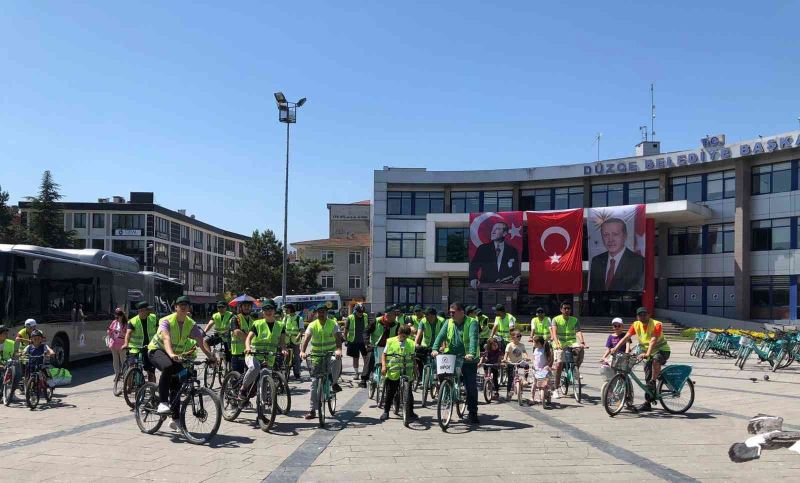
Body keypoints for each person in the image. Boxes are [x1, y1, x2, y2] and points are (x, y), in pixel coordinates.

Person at [148, 295, 217, 429]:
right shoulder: (166, 321)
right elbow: (166, 338)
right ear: (176, 307)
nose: (184, 306)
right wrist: (172, 354)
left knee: (177, 384)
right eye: (181, 305)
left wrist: (210, 356)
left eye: (186, 304)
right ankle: (162, 402)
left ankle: (175, 419)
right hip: (157, 350)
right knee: (168, 367)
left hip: (174, 355)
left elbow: (201, 341)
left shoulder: (190, 323)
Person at [610, 307, 671, 412]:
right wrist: (615, 348)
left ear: (649, 314)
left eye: (644, 314)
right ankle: (648, 403)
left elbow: (653, 340)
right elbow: (626, 337)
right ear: (637, 316)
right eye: (640, 315)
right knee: (647, 374)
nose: (642, 316)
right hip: (646, 353)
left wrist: (647, 353)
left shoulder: (656, 324)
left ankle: (654, 380)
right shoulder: (636, 324)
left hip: (662, 351)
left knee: (656, 361)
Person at [432, 302, 480, 424]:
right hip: (451, 355)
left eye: (453, 312)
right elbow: (440, 336)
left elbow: (473, 338)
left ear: (461, 312)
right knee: (443, 375)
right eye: (450, 312)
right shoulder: (448, 322)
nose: (451, 314)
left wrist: (472, 353)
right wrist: (435, 348)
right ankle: (447, 392)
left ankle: (473, 412)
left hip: (468, 358)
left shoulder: (472, 322)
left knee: (471, 386)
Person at [300, 304, 343, 420]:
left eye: (323, 311)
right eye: (319, 312)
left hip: (330, 354)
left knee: (337, 360)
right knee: (314, 383)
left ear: (326, 312)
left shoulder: (333, 324)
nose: (321, 314)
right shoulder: (312, 325)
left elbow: (338, 338)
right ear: (316, 313)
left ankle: (334, 382)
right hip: (316, 356)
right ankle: (312, 410)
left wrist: (338, 350)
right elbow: (307, 338)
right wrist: (303, 351)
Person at [240, 300, 287, 402]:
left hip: (269, 356)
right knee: (254, 368)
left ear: (274, 311)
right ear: (262, 312)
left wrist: (283, 349)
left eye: (270, 309)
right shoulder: (257, 324)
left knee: (265, 376)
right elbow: (248, 338)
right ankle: (243, 389)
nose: (268, 312)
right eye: (266, 310)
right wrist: (248, 348)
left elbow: (282, 342)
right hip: (253, 354)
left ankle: (262, 402)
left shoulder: (280, 325)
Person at [588, 218, 645, 292]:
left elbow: (637, 289)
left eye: (615, 234)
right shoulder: (596, 261)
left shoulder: (638, 261)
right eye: (606, 235)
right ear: (602, 237)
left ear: (625, 236)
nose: (610, 239)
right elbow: (593, 289)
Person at [380, 325, 419, 421]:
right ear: (398, 333)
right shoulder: (390, 341)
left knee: (409, 392)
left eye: (406, 337)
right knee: (390, 391)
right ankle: (386, 411)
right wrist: (384, 366)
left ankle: (411, 412)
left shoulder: (411, 343)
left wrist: (415, 369)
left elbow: (413, 357)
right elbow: (384, 355)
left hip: (407, 370)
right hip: (393, 370)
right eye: (403, 336)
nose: (404, 338)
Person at [469, 221, 521, 289]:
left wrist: (517, 277)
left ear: (504, 233)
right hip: (486, 287)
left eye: (497, 229)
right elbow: (473, 266)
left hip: (506, 288)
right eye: (492, 229)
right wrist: (473, 278)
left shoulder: (512, 251)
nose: (492, 232)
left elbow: (515, 270)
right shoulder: (483, 249)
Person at [550, 302, 586, 398]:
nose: (567, 310)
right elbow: (554, 333)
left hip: (571, 342)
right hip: (560, 344)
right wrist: (557, 344)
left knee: (581, 350)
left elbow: (578, 331)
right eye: (565, 308)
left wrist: (582, 341)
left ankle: (575, 368)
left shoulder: (574, 320)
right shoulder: (556, 319)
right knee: (559, 365)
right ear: (561, 309)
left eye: (569, 308)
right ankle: (556, 389)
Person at [360, 306, 399, 388]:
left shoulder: (396, 324)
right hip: (375, 346)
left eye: (395, 315)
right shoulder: (376, 321)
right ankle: (364, 379)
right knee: (370, 357)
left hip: (389, 348)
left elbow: (399, 337)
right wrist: (367, 343)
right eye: (394, 315)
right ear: (387, 315)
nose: (395, 316)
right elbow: (366, 332)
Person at [123, 301, 158, 382]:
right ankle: (128, 387)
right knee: (131, 368)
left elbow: (159, 331)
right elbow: (128, 333)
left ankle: (153, 389)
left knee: (151, 371)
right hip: (135, 348)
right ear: (141, 311)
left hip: (150, 348)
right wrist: (126, 344)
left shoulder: (153, 318)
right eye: (148, 309)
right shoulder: (133, 321)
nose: (150, 311)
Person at [414, 307, 443, 384]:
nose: (425, 316)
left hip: (438, 346)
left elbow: (445, 335)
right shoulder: (423, 321)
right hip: (426, 345)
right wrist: (416, 343)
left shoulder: (442, 321)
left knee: (438, 364)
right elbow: (419, 333)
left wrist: (443, 346)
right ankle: (420, 377)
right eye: (425, 315)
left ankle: (437, 380)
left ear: (433, 315)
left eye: (427, 315)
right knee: (418, 358)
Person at [229, 298, 255, 374]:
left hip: (249, 352)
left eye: (249, 306)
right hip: (238, 353)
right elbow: (237, 332)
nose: (247, 307)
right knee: (237, 377)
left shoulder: (252, 320)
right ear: (241, 307)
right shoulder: (235, 318)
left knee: (250, 377)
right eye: (245, 306)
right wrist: (249, 339)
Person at [344, 304, 369, 380]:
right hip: (353, 341)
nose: (360, 313)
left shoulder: (365, 316)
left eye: (362, 312)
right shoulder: (350, 318)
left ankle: (366, 373)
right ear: (355, 311)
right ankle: (356, 373)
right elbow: (345, 331)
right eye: (359, 312)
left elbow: (368, 327)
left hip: (364, 341)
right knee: (356, 358)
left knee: (366, 358)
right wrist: (346, 340)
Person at [502, 330, 529, 396]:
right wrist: (505, 359)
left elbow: (524, 353)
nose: (520, 338)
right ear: (513, 337)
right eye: (518, 336)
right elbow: (506, 354)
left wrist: (526, 357)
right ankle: (508, 392)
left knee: (526, 365)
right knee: (510, 378)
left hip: (519, 361)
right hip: (511, 362)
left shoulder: (521, 345)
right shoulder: (509, 345)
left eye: (520, 336)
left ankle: (525, 379)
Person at [531, 335, 555, 409]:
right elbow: (534, 358)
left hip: (544, 370)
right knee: (534, 384)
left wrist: (547, 366)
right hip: (536, 370)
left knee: (547, 384)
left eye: (534, 342)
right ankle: (532, 397)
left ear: (539, 343)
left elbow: (550, 359)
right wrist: (533, 365)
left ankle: (549, 394)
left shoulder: (545, 350)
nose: (533, 343)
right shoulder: (535, 349)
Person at [282, 303, 305, 381]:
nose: (285, 311)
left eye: (286, 309)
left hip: (295, 340)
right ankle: (285, 372)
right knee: (285, 357)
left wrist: (298, 337)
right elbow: (282, 328)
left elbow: (301, 330)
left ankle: (297, 373)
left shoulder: (299, 318)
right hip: (287, 340)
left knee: (296, 358)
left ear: (290, 309)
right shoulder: (285, 318)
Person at [107, 307, 128, 380]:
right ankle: (117, 375)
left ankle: (125, 375)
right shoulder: (114, 322)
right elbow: (109, 331)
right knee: (115, 360)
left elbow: (127, 335)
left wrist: (120, 332)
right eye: (116, 315)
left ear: (122, 315)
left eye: (119, 315)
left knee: (123, 361)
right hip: (114, 343)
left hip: (122, 344)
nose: (117, 317)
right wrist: (110, 333)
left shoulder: (125, 324)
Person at [479, 336, 503, 401]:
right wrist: (480, 362)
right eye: (494, 345)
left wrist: (498, 362)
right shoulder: (487, 351)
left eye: (496, 345)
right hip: (488, 363)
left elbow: (500, 358)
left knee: (495, 378)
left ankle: (496, 392)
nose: (495, 346)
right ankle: (486, 377)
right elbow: (483, 357)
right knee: (485, 366)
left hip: (494, 365)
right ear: (490, 346)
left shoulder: (499, 351)